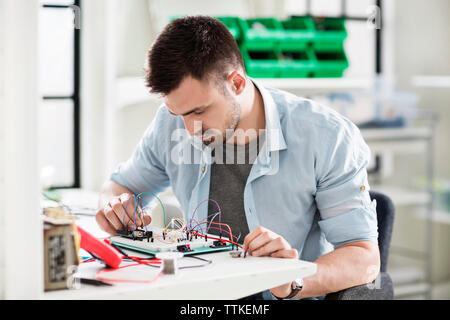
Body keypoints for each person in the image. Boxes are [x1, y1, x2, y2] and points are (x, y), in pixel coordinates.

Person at [95, 15, 380, 300]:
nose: (189, 129)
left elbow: (364, 258)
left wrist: (291, 279)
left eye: (198, 111)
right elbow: (120, 186)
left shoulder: (327, 136)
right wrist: (114, 207)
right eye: (177, 114)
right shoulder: (171, 124)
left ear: (237, 83)